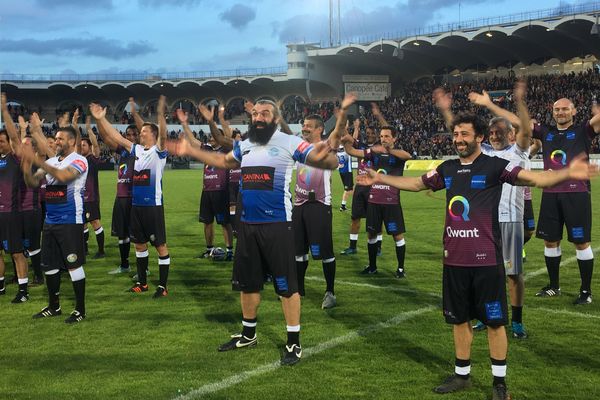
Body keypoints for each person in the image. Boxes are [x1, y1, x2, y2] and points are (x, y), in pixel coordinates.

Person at [356, 108, 597, 400]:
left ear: (479, 137)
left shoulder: (495, 166)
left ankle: (499, 383)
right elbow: (417, 184)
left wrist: (568, 172)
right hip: (454, 258)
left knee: (495, 322)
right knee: (459, 320)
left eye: (464, 134)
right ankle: (462, 374)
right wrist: (380, 180)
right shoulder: (447, 168)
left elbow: (532, 179)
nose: (458, 139)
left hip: (487, 259)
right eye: (456, 134)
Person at [167, 98, 347, 366]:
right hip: (247, 225)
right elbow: (224, 161)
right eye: (255, 113)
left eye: (264, 113)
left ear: (275, 119)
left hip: (278, 225)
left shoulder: (289, 142)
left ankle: (294, 342)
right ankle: (248, 333)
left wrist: (329, 158)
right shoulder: (245, 145)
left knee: (286, 287)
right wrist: (192, 151)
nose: (258, 117)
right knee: (248, 283)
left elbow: (320, 157)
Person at [461, 81, 532, 338]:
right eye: (491, 133)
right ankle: (487, 315)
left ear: (511, 134)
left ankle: (517, 321)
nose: (494, 135)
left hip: (511, 222)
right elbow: (465, 137)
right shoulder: (486, 153)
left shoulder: (519, 151)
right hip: (485, 222)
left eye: (500, 131)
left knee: (513, 274)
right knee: (486, 273)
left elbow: (526, 126)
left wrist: (493, 103)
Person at [90, 96, 171, 298]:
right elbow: (116, 137)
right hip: (136, 206)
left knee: (160, 245)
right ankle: (142, 283)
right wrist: (101, 118)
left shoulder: (158, 152)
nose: (140, 133)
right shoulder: (136, 150)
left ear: (152, 135)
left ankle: (162, 287)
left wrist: (161, 116)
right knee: (139, 244)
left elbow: (163, 133)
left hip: (153, 206)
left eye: (144, 131)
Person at [22, 125, 89, 323]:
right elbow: (32, 183)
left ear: (71, 141)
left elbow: (63, 176)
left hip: (70, 220)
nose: (56, 141)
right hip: (50, 221)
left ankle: (80, 309)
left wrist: (37, 160)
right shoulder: (51, 161)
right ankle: (54, 306)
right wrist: (27, 164)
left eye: (60, 139)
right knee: (49, 266)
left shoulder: (79, 160)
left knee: (73, 264)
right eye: (56, 139)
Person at [294, 106, 352, 310]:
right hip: (298, 205)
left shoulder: (327, 145)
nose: (305, 128)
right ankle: (298, 290)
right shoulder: (300, 147)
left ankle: (330, 292)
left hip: (318, 205)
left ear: (319, 129)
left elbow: (339, 130)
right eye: (303, 125)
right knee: (298, 251)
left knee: (325, 251)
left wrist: (343, 113)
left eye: (309, 126)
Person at [343, 124, 411, 278]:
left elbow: (408, 156)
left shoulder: (398, 155)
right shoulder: (373, 153)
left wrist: (388, 149)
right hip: (374, 200)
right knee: (371, 234)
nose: (383, 139)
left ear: (394, 138)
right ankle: (372, 266)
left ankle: (400, 268)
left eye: (387, 136)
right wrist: (346, 141)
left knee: (397, 235)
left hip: (391, 202)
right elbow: (352, 151)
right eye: (381, 136)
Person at [97, 98, 141, 275]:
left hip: (136, 198)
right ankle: (124, 265)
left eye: (134, 134)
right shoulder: (122, 150)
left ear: (139, 136)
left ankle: (142, 269)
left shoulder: (142, 151)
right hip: (121, 197)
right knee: (122, 234)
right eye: (128, 135)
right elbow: (105, 137)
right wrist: (99, 119)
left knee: (138, 235)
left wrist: (135, 113)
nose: (130, 137)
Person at [184, 106, 234, 260]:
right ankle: (209, 249)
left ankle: (230, 251)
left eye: (214, 136)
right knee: (207, 222)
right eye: (210, 136)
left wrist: (217, 119)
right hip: (207, 191)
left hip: (221, 191)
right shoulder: (206, 148)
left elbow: (228, 134)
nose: (211, 138)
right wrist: (184, 123)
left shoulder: (226, 149)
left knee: (225, 222)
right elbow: (192, 140)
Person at [0, 95, 30, 303]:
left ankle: (23, 291)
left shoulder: (15, 157)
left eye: (1, 141)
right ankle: (1, 285)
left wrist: (3, 110)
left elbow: (13, 135)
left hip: (12, 213)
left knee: (16, 253)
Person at [339, 122, 381, 255]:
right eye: (367, 133)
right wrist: (349, 126)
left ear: (376, 135)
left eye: (372, 133)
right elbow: (348, 138)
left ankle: (378, 247)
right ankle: (352, 247)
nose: (369, 135)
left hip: (374, 187)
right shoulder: (361, 147)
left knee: (376, 219)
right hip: (360, 187)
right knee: (355, 217)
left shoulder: (380, 148)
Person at [80, 116, 105, 259]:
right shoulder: (80, 160)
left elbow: (96, 146)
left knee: (95, 222)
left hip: (92, 197)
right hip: (80, 198)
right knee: (82, 224)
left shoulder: (93, 159)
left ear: (89, 147)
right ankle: (85, 249)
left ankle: (101, 251)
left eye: (84, 145)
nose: (82, 147)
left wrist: (89, 129)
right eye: (81, 145)